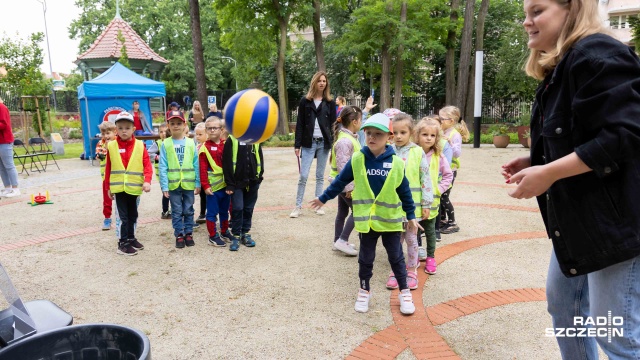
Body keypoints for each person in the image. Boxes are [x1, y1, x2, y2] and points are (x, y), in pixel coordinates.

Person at [502, 0, 640, 357]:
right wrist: (536, 158)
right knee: (566, 312)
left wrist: (548, 172)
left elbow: (624, 136)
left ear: (572, 9)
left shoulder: (597, 53)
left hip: (617, 224)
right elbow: (582, 134)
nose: (526, 22)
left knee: (617, 334)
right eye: (525, 13)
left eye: (537, 11)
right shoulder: (562, 66)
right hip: (583, 223)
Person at [310, 113, 419, 315]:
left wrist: (411, 215)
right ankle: (364, 290)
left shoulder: (396, 163)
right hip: (366, 222)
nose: (372, 137)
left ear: (389, 138)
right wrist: (323, 198)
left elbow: (404, 191)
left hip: (390, 222)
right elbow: (340, 182)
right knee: (365, 258)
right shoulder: (358, 159)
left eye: (378, 134)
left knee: (396, 257)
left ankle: (404, 292)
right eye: (368, 133)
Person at [388, 113, 433, 290]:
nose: (398, 136)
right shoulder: (388, 150)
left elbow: (425, 177)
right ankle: (396, 270)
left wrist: (426, 203)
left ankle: (412, 270)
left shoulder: (417, 151)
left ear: (411, 132)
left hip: (411, 206)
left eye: (403, 132)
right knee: (394, 241)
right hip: (392, 206)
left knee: (411, 239)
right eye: (395, 132)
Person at [104, 111, 153, 256]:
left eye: (127, 128)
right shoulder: (111, 146)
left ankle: (131, 238)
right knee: (122, 217)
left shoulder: (140, 145)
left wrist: (147, 181)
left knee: (133, 215)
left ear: (133, 129)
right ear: (116, 130)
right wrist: (108, 187)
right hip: (119, 188)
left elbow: (147, 165)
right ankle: (122, 243)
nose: (123, 131)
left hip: (134, 186)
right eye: (120, 128)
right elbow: (109, 167)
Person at [290, 71, 337, 218]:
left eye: (324, 81)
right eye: (319, 81)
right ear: (314, 82)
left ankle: (318, 205)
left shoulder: (330, 102)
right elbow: (300, 124)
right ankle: (297, 207)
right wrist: (297, 145)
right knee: (303, 176)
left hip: (323, 143)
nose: (322, 83)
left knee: (319, 176)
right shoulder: (305, 101)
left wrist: (334, 143)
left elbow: (333, 124)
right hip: (308, 143)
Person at [415, 118, 452, 275]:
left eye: (432, 135)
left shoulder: (439, 156)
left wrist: (437, 189)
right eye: (425, 134)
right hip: (414, 201)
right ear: (417, 135)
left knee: (430, 231)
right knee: (414, 231)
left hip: (431, 203)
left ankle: (430, 257)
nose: (428, 138)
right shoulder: (412, 153)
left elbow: (448, 176)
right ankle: (414, 255)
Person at [159, 111, 201, 249]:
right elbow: (163, 166)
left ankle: (188, 233)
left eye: (178, 123)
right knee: (176, 211)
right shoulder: (165, 144)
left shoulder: (190, 143)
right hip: (173, 185)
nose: (175, 126)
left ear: (184, 125)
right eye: (172, 123)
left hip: (188, 184)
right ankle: (179, 234)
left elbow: (196, 164)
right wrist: (164, 186)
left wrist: (198, 183)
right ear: (168, 126)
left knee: (188, 209)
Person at [328, 105, 362, 256]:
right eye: (361, 120)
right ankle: (342, 240)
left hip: (341, 183)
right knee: (359, 210)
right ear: (354, 122)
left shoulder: (348, 138)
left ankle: (338, 241)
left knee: (342, 211)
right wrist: (349, 187)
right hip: (344, 184)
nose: (361, 123)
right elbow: (343, 166)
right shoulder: (345, 142)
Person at [223, 132, 263, 251]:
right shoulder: (232, 139)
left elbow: (260, 157)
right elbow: (227, 162)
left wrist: (259, 176)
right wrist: (229, 184)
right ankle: (236, 235)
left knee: (248, 208)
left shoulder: (255, 137)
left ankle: (245, 232)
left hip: (252, 181)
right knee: (238, 208)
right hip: (236, 183)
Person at [199, 117, 233, 247]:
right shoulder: (204, 148)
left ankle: (224, 231)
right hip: (212, 188)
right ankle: (212, 236)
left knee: (225, 211)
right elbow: (202, 169)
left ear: (221, 130)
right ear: (206, 130)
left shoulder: (226, 145)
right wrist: (205, 186)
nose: (212, 130)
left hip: (226, 187)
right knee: (212, 213)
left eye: (215, 127)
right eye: (209, 128)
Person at [438, 105, 465, 234]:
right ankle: (442, 219)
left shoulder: (455, 135)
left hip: (450, 170)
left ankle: (452, 222)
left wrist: (450, 143)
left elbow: (457, 153)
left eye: (442, 118)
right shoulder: (441, 131)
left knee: (444, 196)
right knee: (440, 196)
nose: (440, 121)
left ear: (451, 121)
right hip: (441, 169)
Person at [96, 121, 116, 230]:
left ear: (114, 132)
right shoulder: (100, 144)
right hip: (106, 177)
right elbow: (100, 156)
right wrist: (107, 148)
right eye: (103, 134)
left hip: (118, 176)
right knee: (107, 199)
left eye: (108, 133)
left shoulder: (118, 142)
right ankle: (107, 217)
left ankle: (120, 216)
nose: (106, 136)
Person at [0, 97, 19, 198]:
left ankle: (15, 188)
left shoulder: (2, 107)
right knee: (1, 167)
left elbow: (4, 124)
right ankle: (7, 188)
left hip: (5, 141)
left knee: (9, 165)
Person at [155, 124, 171, 219]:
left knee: (173, 193)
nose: (163, 134)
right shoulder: (158, 143)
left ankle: (174, 210)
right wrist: (158, 157)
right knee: (166, 192)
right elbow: (149, 153)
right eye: (161, 132)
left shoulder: (171, 142)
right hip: (161, 174)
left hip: (171, 173)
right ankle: (165, 211)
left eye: (165, 131)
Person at [194, 122, 208, 224]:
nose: (197, 137)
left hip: (209, 176)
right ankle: (203, 213)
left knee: (210, 196)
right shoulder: (197, 146)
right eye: (196, 134)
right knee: (202, 195)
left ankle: (211, 214)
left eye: (200, 134)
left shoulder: (208, 146)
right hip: (200, 176)